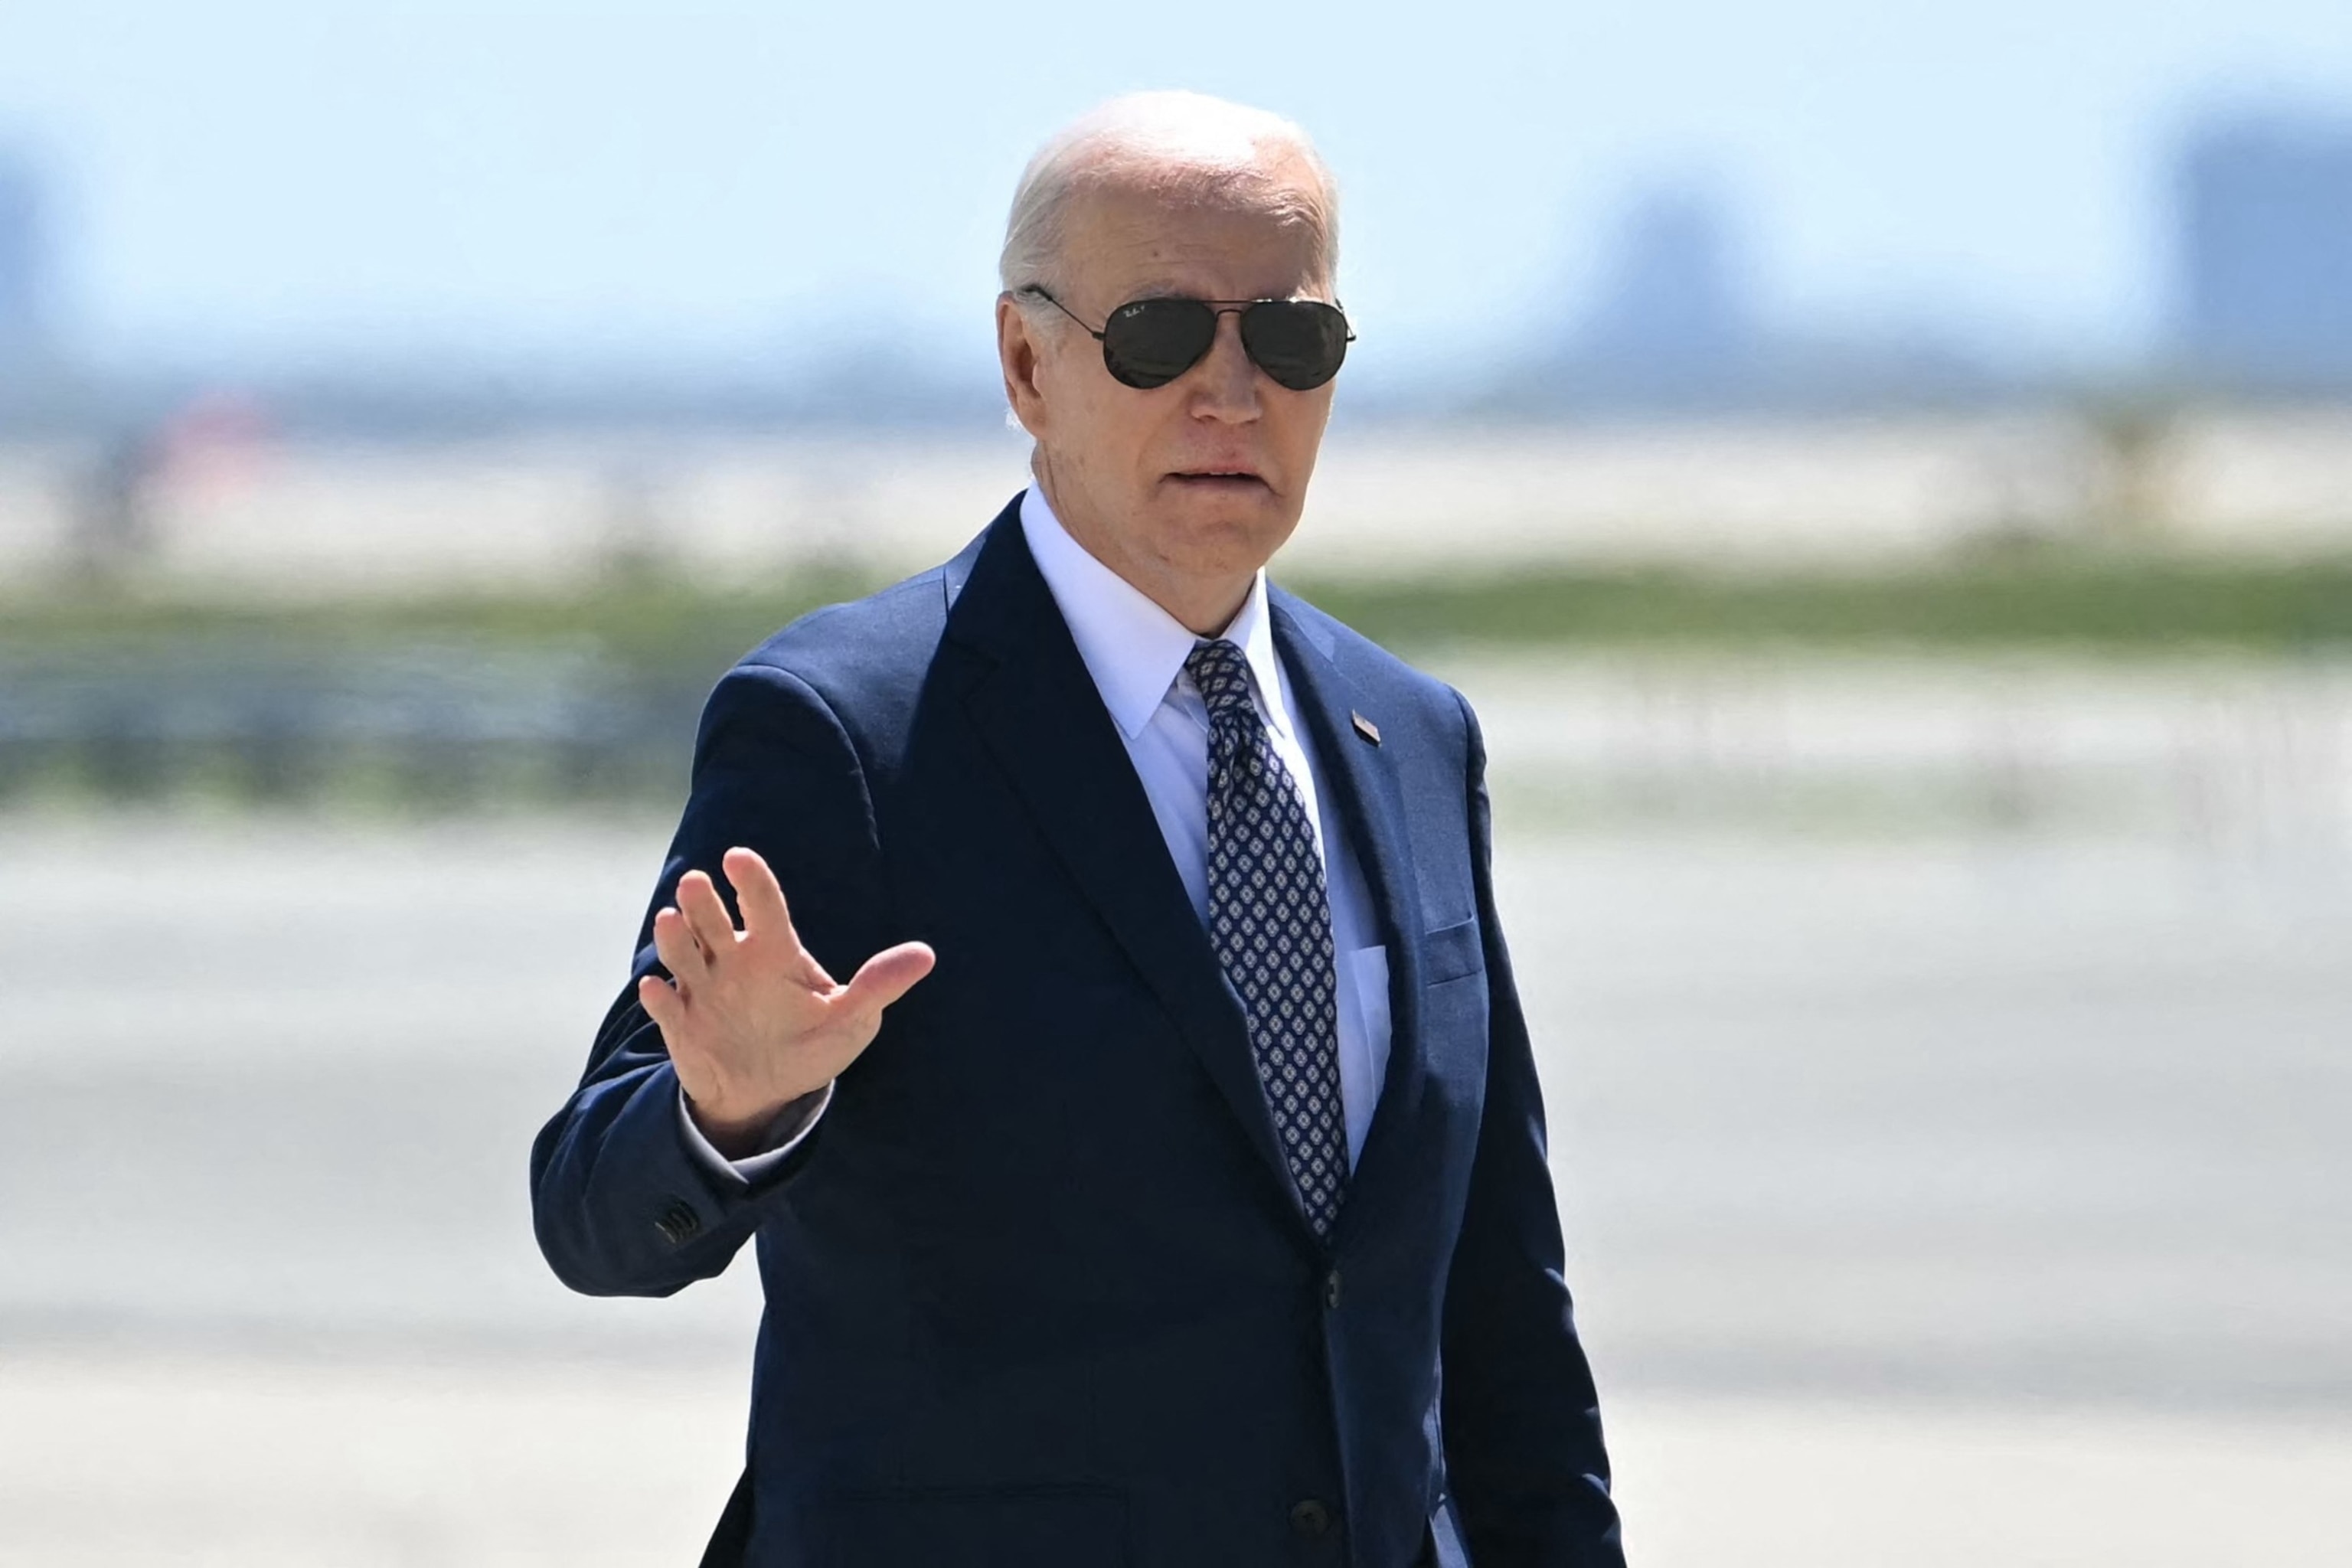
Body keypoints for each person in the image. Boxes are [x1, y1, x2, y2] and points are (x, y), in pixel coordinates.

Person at [531, 90, 1623, 1568]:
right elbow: (592, 1207)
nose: (1232, 397)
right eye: (1162, 336)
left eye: (1289, 342)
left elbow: (1502, 1314)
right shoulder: (848, 729)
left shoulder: (1411, 735)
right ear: (1025, 363)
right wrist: (731, 1116)